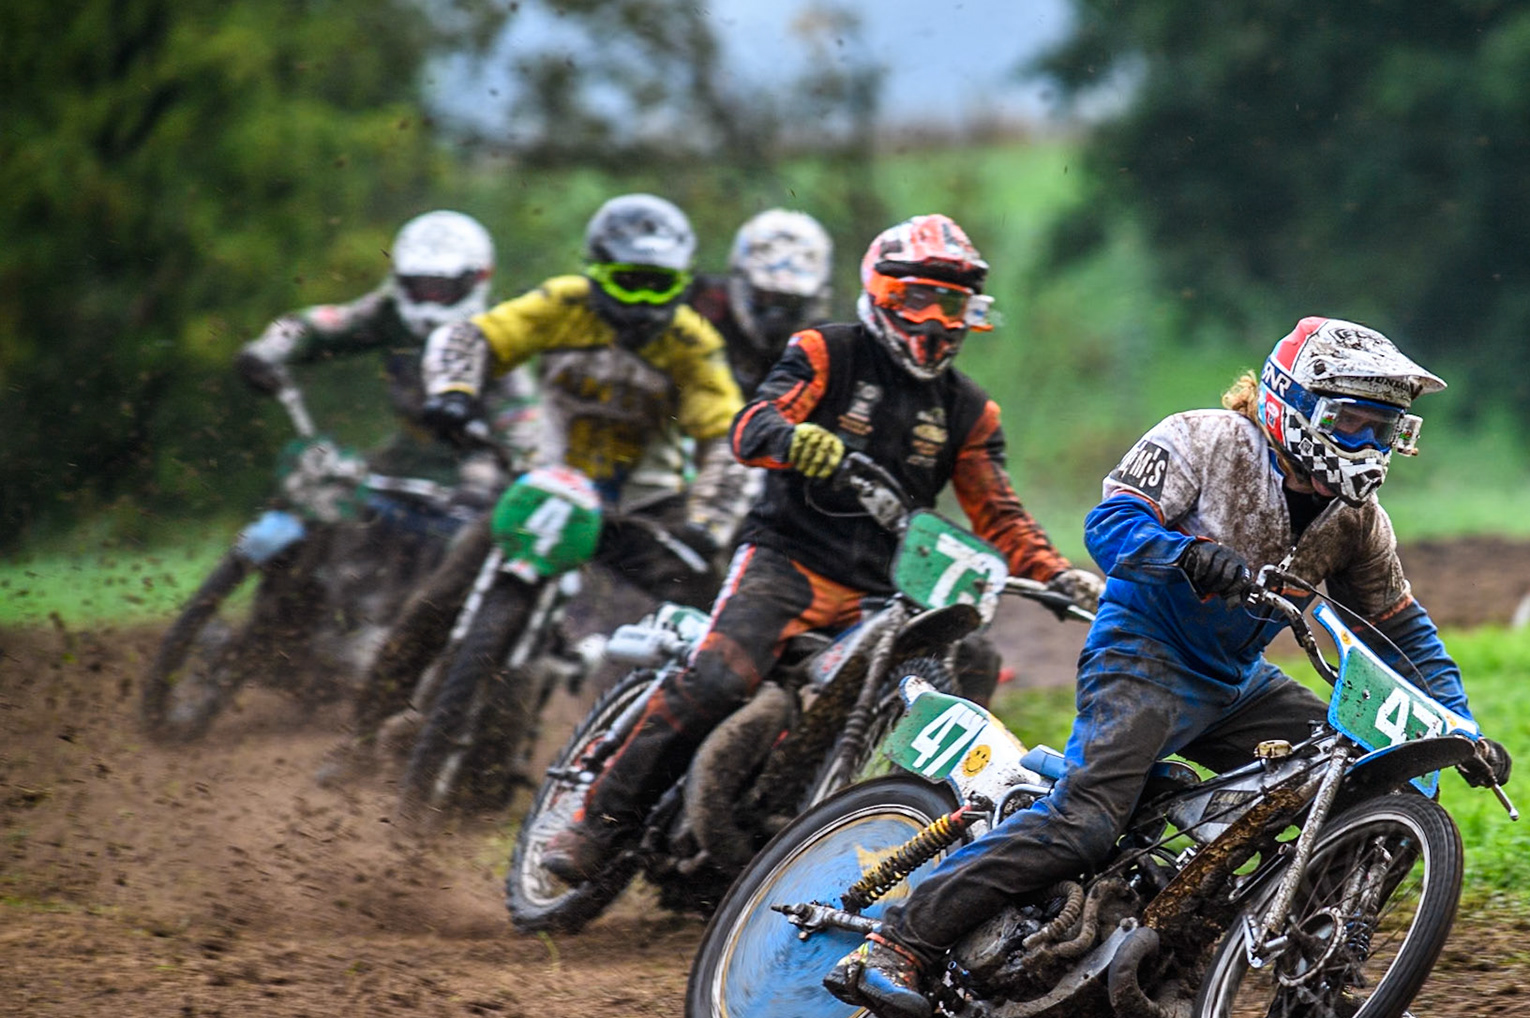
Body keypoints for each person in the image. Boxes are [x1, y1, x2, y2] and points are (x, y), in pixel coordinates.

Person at [824, 316, 1513, 1018]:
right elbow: (1109, 523)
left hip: (1235, 682)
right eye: (1355, 423)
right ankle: (900, 940)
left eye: (1386, 428)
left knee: (1370, 786)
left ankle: (1310, 993)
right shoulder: (1206, 439)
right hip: (1142, 653)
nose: (1371, 445)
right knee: (1085, 823)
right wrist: (1184, 553)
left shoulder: (1358, 519)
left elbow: (1403, 629)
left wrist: (1456, 727)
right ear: (1291, 403)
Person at [538, 213, 1105, 885]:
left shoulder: (968, 411)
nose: (933, 319)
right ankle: (594, 823)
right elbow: (750, 426)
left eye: (950, 303)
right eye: (916, 298)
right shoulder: (826, 352)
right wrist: (792, 439)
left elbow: (999, 514)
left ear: (971, 313)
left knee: (973, 659)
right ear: (882, 295)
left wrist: (1060, 575)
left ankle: (893, 834)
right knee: (719, 678)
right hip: (787, 563)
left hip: (883, 593)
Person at [318, 194, 749, 784]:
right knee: (435, 601)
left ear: (682, 283)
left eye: (660, 286)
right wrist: (453, 391)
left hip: (640, 510)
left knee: (723, 619)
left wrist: (710, 524)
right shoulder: (562, 304)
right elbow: (471, 338)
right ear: (597, 273)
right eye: (628, 283)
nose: (643, 303)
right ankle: (360, 741)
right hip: (548, 483)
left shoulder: (694, 342)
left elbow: (727, 438)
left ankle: (681, 781)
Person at [233, 209, 534, 488]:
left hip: (472, 474)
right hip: (402, 459)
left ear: (477, 279)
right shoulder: (387, 313)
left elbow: (524, 423)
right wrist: (266, 351)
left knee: (469, 527)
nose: (430, 298)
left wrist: (496, 479)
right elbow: (318, 325)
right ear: (401, 279)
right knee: (318, 495)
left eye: (441, 287)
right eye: (421, 285)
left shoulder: (495, 339)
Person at [685, 209, 835, 397]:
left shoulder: (826, 348)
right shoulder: (701, 307)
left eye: (790, 301)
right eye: (764, 295)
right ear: (742, 282)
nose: (775, 314)